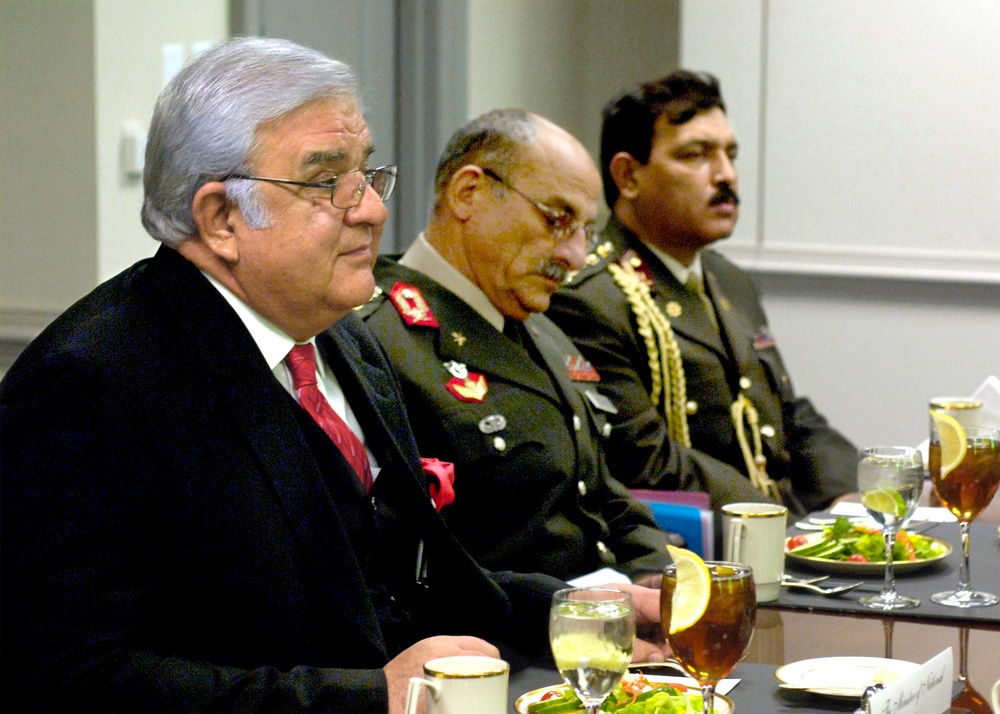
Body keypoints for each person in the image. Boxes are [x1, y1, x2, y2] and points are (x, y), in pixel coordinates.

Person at [0, 39, 668, 714]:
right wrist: (371, 696)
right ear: (222, 218)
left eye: (367, 174)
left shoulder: (340, 336)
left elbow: (408, 576)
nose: (374, 211)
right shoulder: (91, 383)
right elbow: (75, 680)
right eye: (327, 184)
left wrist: (573, 612)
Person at [357, 109, 680, 585]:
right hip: (505, 643)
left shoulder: (542, 328)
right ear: (470, 193)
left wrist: (659, 576)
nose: (574, 256)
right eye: (557, 219)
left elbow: (599, 493)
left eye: (585, 230)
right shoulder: (379, 337)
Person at [548, 71, 857, 519]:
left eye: (730, 154)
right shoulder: (591, 298)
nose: (726, 175)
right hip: (699, 548)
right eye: (695, 155)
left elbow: (789, 416)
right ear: (628, 175)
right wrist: (779, 522)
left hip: (776, 530)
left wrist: (851, 498)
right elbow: (646, 462)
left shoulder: (727, 278)